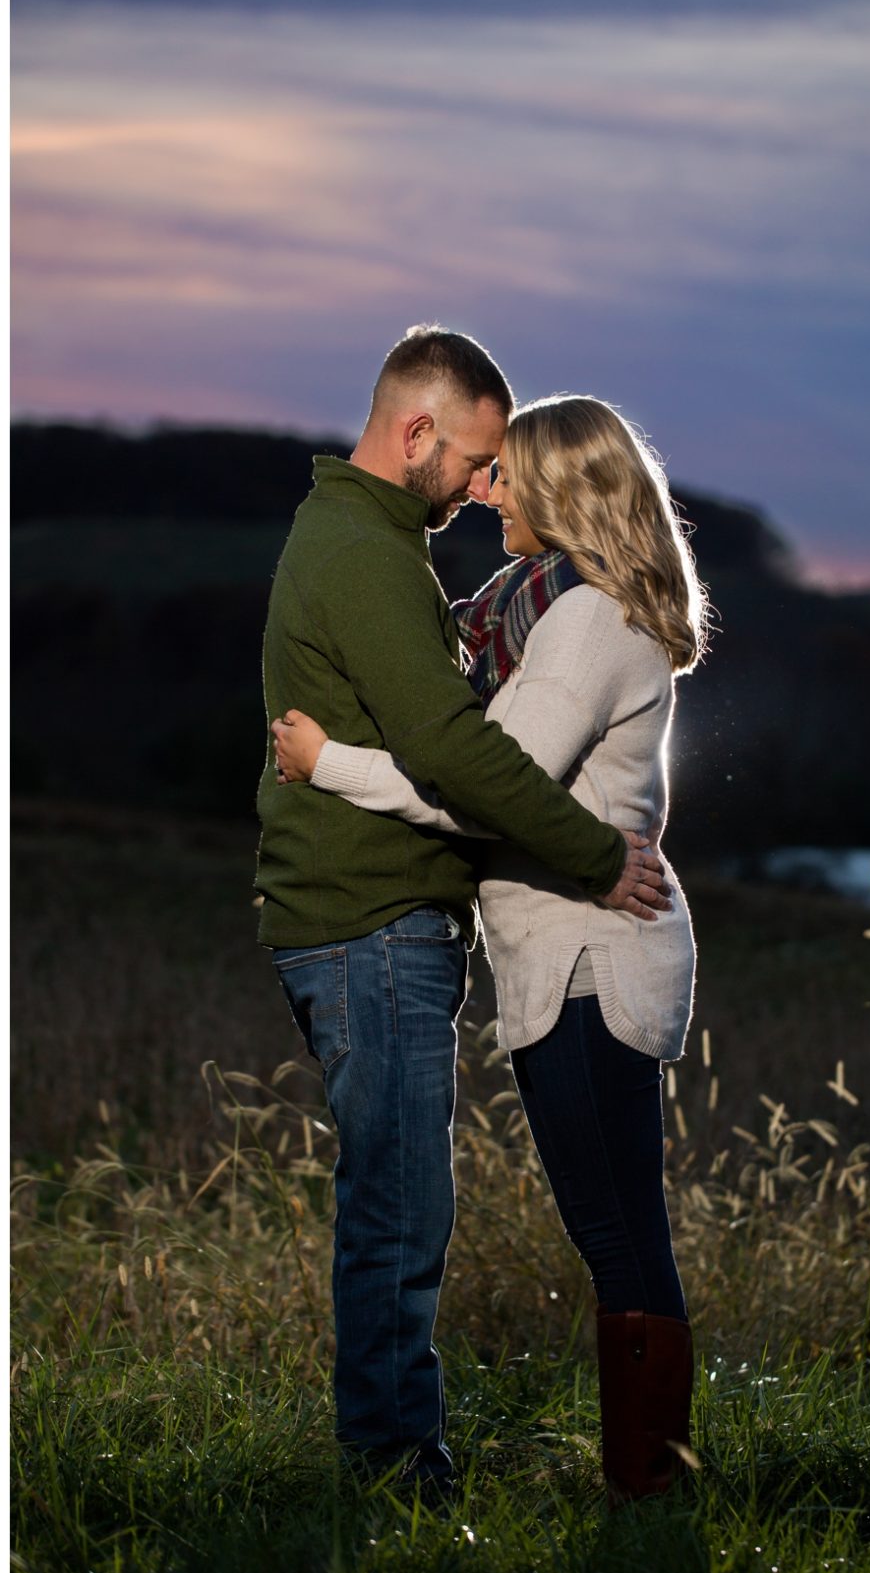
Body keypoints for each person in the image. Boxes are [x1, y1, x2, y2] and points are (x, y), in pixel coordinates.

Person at [272, 393, 710, 1500]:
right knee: (616, 1226)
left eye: (508, 474)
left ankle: (650, 1488)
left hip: (587, 964)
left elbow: (484, 789)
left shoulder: (583, 623)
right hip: (570, 957)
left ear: (560, 491)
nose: (488, 489)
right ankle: (649, 1481)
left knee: (615, 1232)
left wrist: (330, 762)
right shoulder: (542, 609)